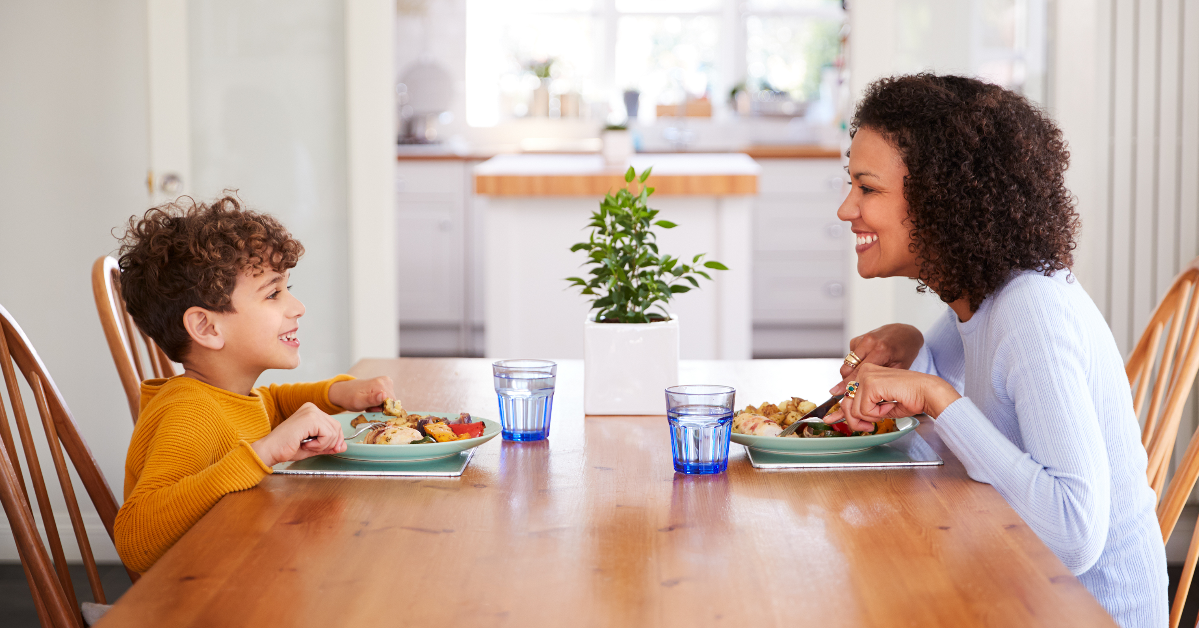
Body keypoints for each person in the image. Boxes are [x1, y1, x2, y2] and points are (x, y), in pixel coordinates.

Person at [824, 74, 1167, 627]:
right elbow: (965, 412)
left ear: (941, 201)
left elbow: (1075, 534)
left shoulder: (1031, 308)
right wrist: (915, 350)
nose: (847, 209)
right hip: (1020, 593)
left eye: (867, 188)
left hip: (1085, 612)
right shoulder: (980, 295)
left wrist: (932, 393)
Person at [112, 194, 393, 573]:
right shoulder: (188, 413)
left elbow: (270, 404)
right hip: (193, 605)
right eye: (274, 293)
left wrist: (334, 393)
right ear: (207, 327)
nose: (297, 307)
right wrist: (262, 454)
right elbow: (134, 537)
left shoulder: (228, 394)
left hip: (232, 572)